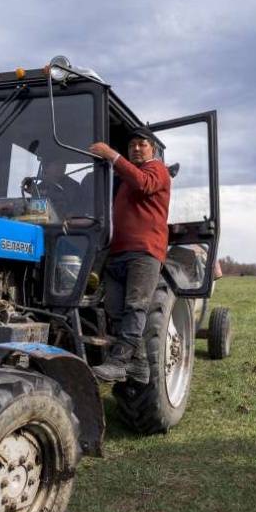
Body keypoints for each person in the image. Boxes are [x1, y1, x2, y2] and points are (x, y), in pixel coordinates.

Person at [86, 126, 172, 383]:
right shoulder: (124, 182)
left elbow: (143, 184)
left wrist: (112, 156)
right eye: (132, 145)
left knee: (135, 306)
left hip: (144, 252)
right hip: (118, 251)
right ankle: (140, 365)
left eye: (141, 144)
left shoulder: (157, 170)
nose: (136, 148)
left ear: (152, 149)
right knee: (115, 309)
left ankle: (119, 360)